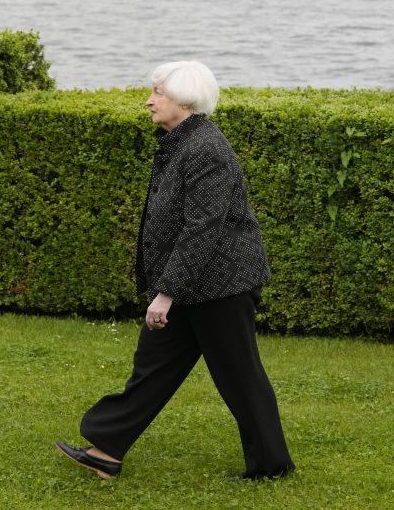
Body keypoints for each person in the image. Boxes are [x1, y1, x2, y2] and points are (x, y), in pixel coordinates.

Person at [55, 60, 296, 481]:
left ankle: (271, 465)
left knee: (240, 377)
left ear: (183, 99)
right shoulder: (179, 141)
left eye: (158, 93)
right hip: (190, 282)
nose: (149, 101)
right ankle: (106, 450)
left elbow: (202, 229)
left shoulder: (206, 148)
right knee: (153, 366)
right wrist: (170, 288)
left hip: (221, 285)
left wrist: (165, 292)